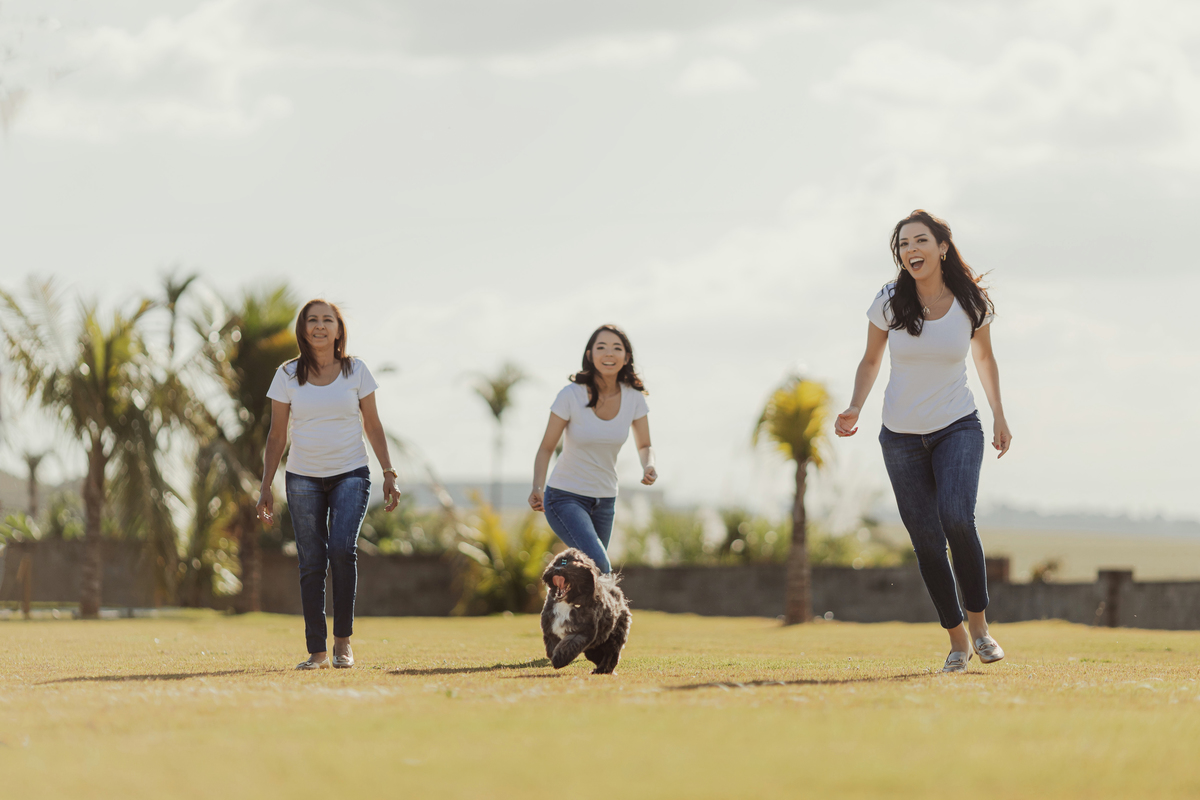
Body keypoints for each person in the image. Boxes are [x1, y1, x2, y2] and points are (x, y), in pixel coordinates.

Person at [834, 210, 1012, 673]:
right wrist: (855, 405)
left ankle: (980, 627)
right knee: (927, 540)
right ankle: (957, 641)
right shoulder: (890, 301)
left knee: (956, 517)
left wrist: (998, 415)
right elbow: (871, 361)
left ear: (942, 248)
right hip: (900, 437)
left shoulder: (971, 301)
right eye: (902, 244)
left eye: (919, 241)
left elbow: (985, 359)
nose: (910, 249)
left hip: (957, 426)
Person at [256, 299, 400, 670]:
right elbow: (276, 435)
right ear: (303, 329)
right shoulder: (286, 375)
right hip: (302, 477)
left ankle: (343, 643)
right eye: (312, 320)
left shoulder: (357, 371)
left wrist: (388, 471)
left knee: (341, 548)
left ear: (338, 329)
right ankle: (317, 652)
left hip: (351, 473)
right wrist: (265, 485)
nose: (319, 326)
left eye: (327, 320)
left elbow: (373, 425)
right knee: (311, 562)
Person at [529, 324, 656, 574]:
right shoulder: (570, 396)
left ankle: (558, 580)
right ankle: (617, 613)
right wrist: (537, 487)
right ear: (590, 355)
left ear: (626, 357)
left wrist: (649, 464)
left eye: (616, 348)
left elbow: (645, 444)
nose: (609, 353)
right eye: (601, 347)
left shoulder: (634, 399)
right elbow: (546, 448)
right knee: (601, 567)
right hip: (565, 497)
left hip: (605, 500)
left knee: (588, 572)